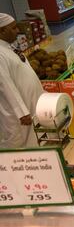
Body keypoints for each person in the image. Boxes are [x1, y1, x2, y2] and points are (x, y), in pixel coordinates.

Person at [0, 13, 44, 148]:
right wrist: (21, 112)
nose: (17, 31)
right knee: (20, 142)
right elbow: (5, 84)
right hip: (19, 112)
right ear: (1, 31)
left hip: (30, 102)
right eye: (13, 28)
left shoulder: (9, 47)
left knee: (34, 138)